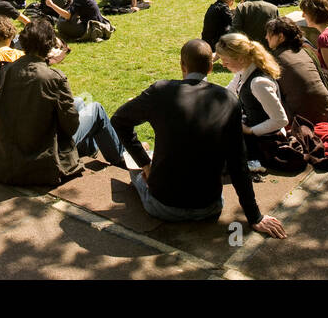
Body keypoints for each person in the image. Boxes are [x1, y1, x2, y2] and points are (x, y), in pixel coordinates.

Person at [110, 39, 286, 236]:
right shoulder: (228, 100)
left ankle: (145, 160)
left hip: (163, 205)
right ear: (211, 67)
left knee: (135, 167)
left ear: (182, 65)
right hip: (208, 206)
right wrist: (255, 216)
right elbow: (238, 163)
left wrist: (145, 164)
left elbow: (118, 120)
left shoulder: (160, 91)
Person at [0, 18, 126, 185]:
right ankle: (122, 158)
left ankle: (90, 150)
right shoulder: (54, 79)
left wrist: (5, 139)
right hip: (42, 166)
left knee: (79, 103)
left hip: (2, 165)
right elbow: (71, 127)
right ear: (49, 46)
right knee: (95, 109)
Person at [216, 33, 289, 168]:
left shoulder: (258, 83)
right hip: (251, 125)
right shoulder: (243, 71)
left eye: (225, 61)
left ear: (241, 59)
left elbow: (280, 120)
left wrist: (250, 131)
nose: (223, 65)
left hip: (264, 138)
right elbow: (227, 92)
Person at [264, 17, 328, 124]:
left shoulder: (273, 59)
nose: (266, 37)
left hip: (300, 118)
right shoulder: (305, 51)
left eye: (269, 33)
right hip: (326, 110)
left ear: (280, 36)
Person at [45, 0, 110, 41]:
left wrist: (52, 5)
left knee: (61, 24)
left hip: (91, 25)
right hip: (92, 21)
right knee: (62, 19)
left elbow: (68, 16)